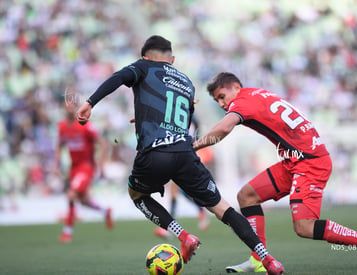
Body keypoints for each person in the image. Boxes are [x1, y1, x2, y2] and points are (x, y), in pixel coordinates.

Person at [75, 35, 284, 274]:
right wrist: (148, 116)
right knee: (223, 209)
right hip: (185, 153)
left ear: (145, 56)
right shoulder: (186, 82)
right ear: (171, 59)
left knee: (137, 194)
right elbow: (181, 119)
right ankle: (268, 260)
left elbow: (118, 78)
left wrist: (90, 102)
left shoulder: (142, 66)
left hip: (154, 153)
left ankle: (183, 235)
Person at [193, 72, 357, 273]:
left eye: (222, 96)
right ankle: (259, 259)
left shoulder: (242, 102)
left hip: (310, 162)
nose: (221, 103)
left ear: (236, 87)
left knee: (304, 227)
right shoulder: (256, 94)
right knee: (247, 196)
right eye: (216, 100)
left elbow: (224, 129)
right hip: (294, 160)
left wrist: (195, 145)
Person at [56, 101, 113, 243]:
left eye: (72, 105)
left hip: (86, 166)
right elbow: (59, 145)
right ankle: (105, 211)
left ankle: (67, 231)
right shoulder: (62, 126)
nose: (69, 108)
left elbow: (102, 142)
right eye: (67, 105)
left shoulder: (85, 125)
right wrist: (56, 164)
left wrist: (101, 164)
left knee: (71, 195)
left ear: (76, 108)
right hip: (73, 167)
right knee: (83, 201)